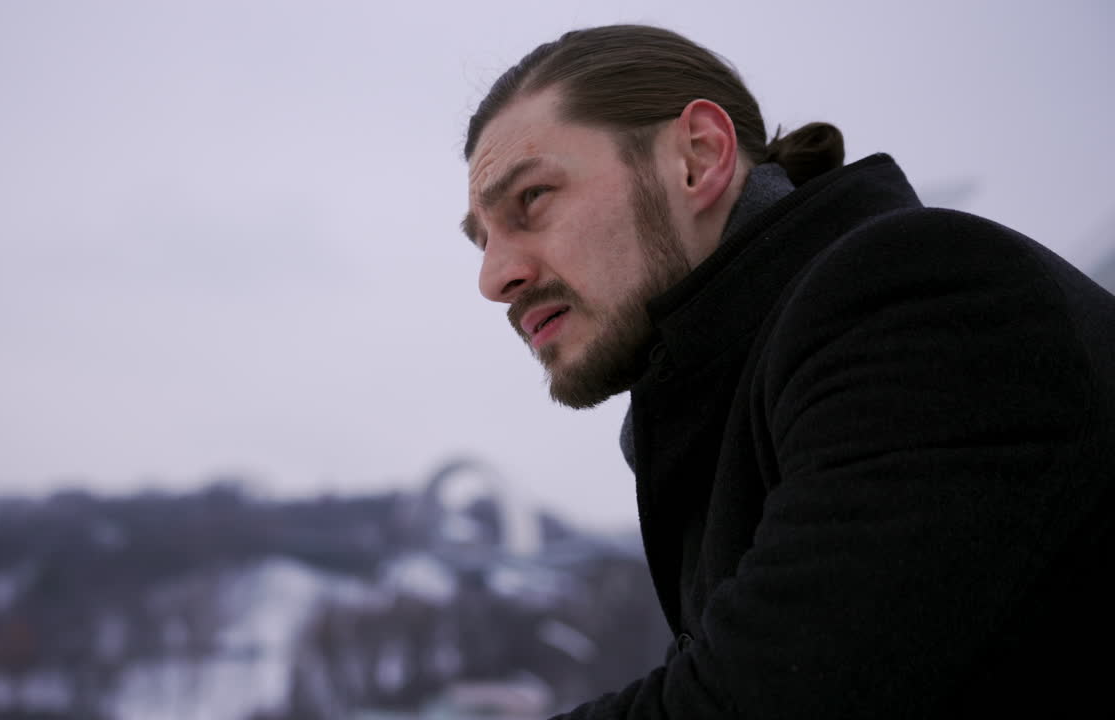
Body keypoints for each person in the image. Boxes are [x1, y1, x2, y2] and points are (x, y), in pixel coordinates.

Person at [459, 24, 1115, 718]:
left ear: (698, 157)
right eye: (482, 240)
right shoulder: (732, 403)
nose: (494, 277)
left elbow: (768, 698)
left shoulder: (917, 295)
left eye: (532, 198)